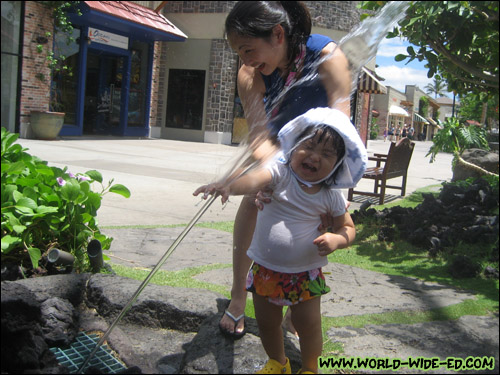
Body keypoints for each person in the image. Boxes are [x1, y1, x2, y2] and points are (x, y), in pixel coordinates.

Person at [219, 0, 353, 340]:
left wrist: (325, 181)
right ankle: (238, 294)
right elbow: (260, 137)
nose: (245, 59)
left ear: (278, 34)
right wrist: (271, 174)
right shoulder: (250, 73)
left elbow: (341, 124)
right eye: (239, 52)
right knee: (253, 199)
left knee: (317, 220)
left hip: (321, 152)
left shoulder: (327, 58)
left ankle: (298, 306)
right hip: (277, 150)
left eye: (248, 49)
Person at [194, 108, 365, 374]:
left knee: (309, 326)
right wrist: (229, 185)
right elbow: (253, 179)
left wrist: (337, 239)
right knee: (267, 323)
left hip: (305, 275)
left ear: (337, 165)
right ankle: (278, 362)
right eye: (308, 146)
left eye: (327, 155)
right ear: (294, 147)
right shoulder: (280, 174)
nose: (314, 157)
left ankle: (310, 369)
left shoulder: (330, 196)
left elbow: (349, 228)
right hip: (266, 270)